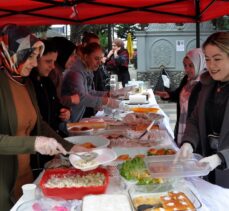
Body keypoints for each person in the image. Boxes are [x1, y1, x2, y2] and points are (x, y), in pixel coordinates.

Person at [0, 24, 79, 210]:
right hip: (3, 185)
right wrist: (33, 143)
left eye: (36, 58)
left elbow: (40, 124)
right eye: (31, 57)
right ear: (11, 52)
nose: (35, 64)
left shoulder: (25, 83)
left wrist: (72, 147)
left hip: (27, 179)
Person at [177, 32, 229, 188]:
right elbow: (194, 119)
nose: (211, 65)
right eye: (207, 59)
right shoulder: (207, 85)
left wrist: (221, 158)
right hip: (208, 167)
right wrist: (188, 143)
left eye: (217, 59)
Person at [155, 48, 206, 145]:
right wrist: (169, 95)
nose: (187, 69)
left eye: (191, 65)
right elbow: (179, 93)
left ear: (200, 63)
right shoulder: (187, 79)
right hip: (182, 124)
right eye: (185, 65)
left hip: (196, 131)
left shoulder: (205, 84)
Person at [62, 42, 119, 122]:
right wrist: (105, 101)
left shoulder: (86, 69)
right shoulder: (76, 72)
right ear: (86, 57)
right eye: (96, 59)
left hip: (75, 117)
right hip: (67, 120)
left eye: (100, 59)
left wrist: (106, 94)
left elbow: (88, 92)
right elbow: (82, 97)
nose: (99, 63)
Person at [48, 36, 80, 107]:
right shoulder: (53, 72)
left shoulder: (59, 71)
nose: (74, 59)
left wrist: (68, 111)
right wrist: (71, 99)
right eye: (71, 55)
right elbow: (51, 101)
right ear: (63, 54)